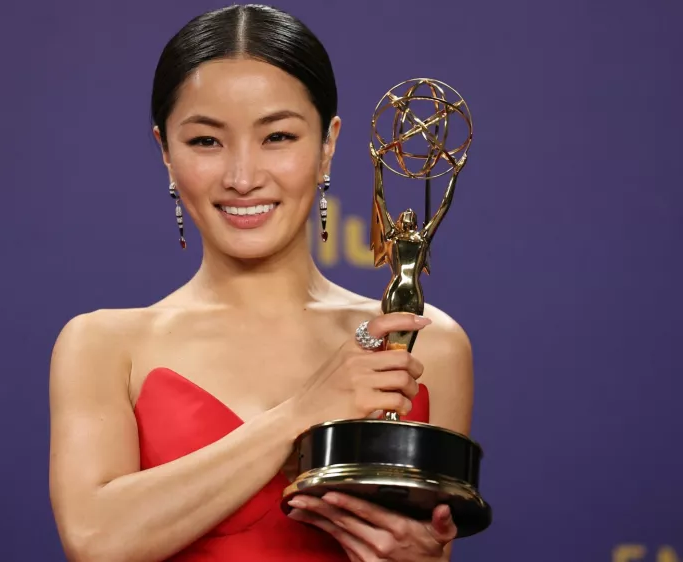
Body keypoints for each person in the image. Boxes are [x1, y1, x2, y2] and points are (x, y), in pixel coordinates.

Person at [47, 5, 475, 562]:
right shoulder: (102, 345)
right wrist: (307, 410)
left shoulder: (425, 343)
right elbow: (96, 540)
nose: (243, 177)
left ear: (328, 144)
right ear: (165, 153)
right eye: (206, 142)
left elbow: (429, 541)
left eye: (277, 136)